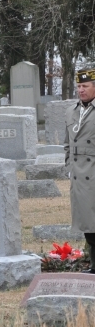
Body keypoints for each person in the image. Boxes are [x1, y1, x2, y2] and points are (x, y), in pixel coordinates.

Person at [65, 68, 95, 273]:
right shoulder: (71, 111)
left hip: (93, 172)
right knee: (87, 226)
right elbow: (67, 144)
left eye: (85, 86)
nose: (81, 90)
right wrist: (69, 166)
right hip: (78, 176)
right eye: (79, 86)